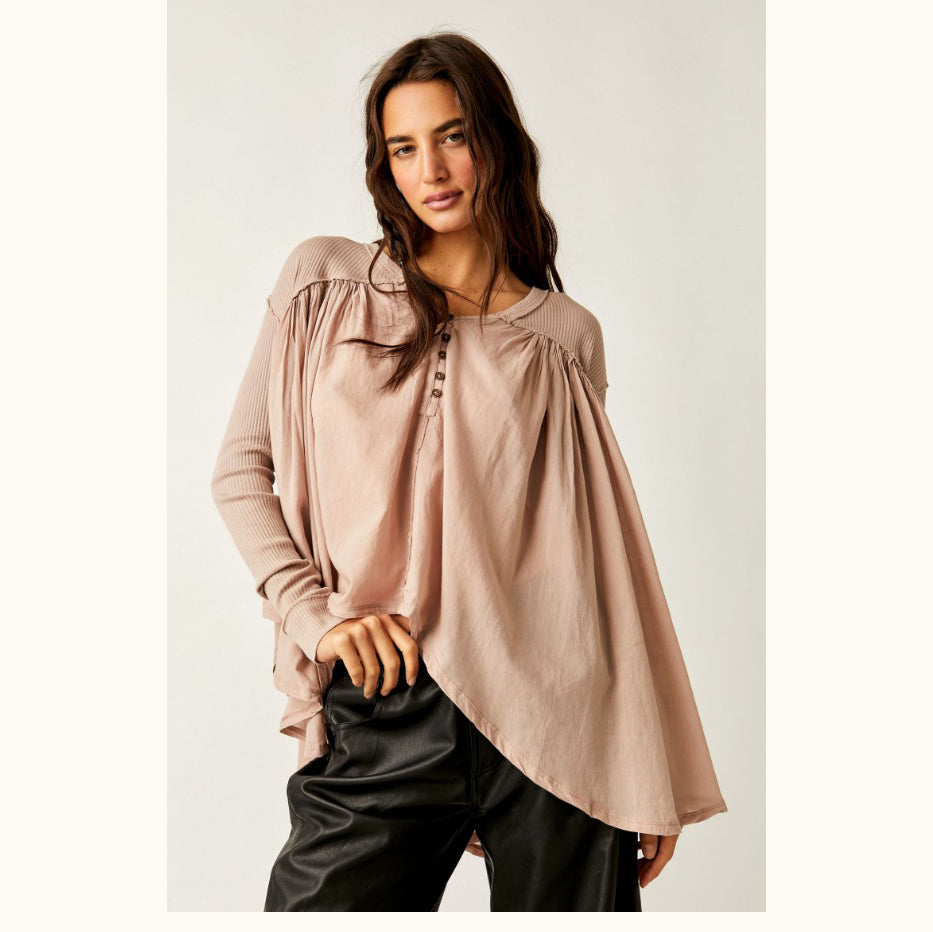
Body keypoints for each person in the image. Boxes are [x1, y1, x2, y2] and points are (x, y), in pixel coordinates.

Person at [211, 32, 727, 912]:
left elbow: (595, 562)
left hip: (561, 720)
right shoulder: (324, 282)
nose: (432, 169)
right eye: (403, 148)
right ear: (384, 166)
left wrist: (642, 760)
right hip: (386, 698)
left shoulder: (565, 336)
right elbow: (240, 470)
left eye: (452, 136)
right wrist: (313, 615)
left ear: (495, 142)